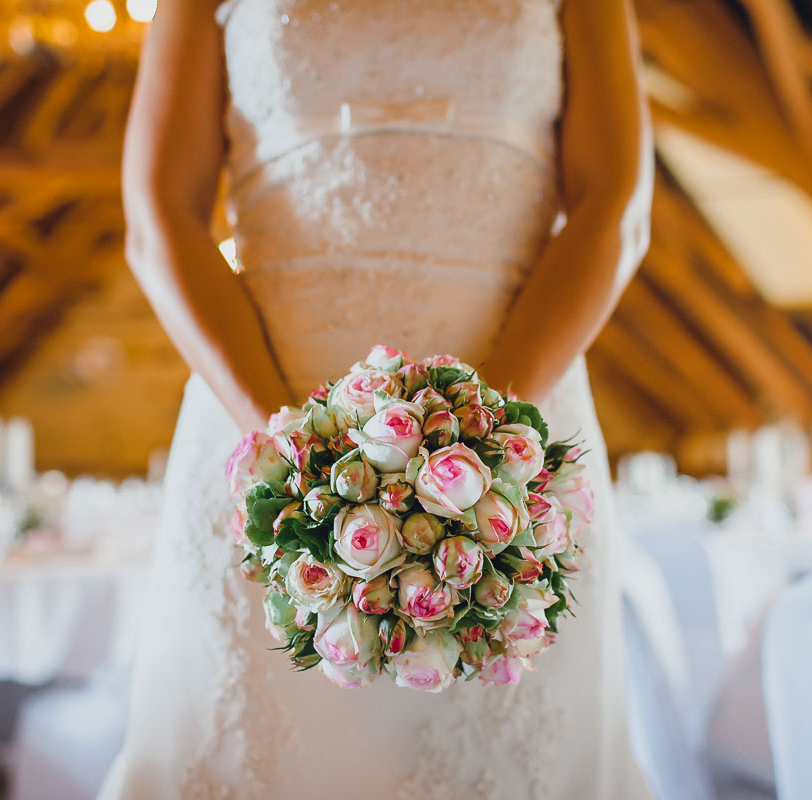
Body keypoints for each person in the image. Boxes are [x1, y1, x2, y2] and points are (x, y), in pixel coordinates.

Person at [102, 0, 654, 797]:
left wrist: (488, 449)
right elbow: (160, 217)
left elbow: (614, 207)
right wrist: (294, 456)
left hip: (517, 428)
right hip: (264, 421)